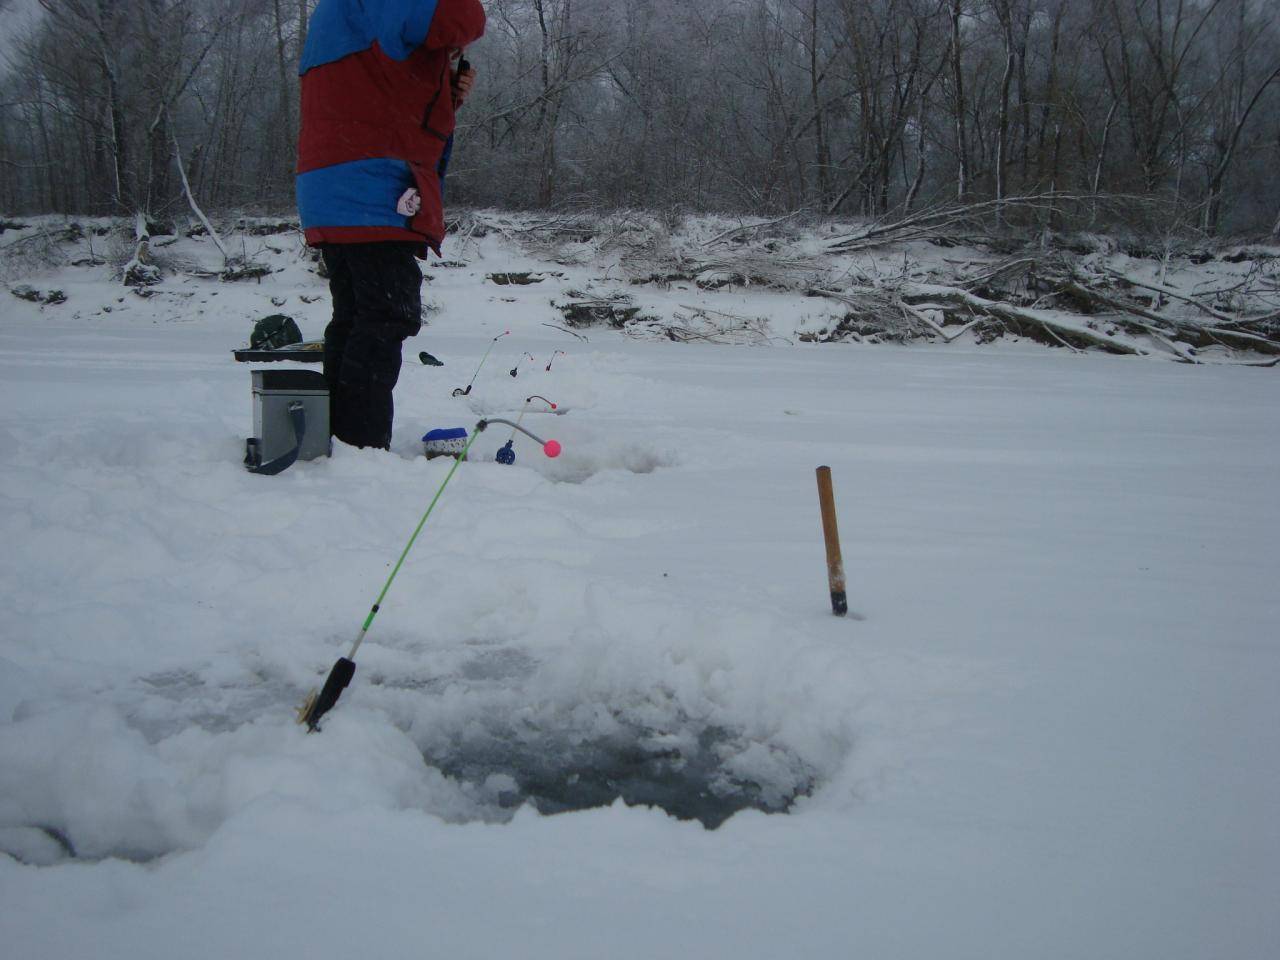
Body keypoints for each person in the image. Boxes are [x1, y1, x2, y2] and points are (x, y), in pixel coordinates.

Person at [296, 0, 486, 449]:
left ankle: (335, 442)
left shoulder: (342, 12)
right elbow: (460, 16)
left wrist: (444, 91)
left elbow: (380, 91)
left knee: (355, 317)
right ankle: (360, 446)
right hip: (372, 188)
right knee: (385, 317)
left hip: (336, 188)